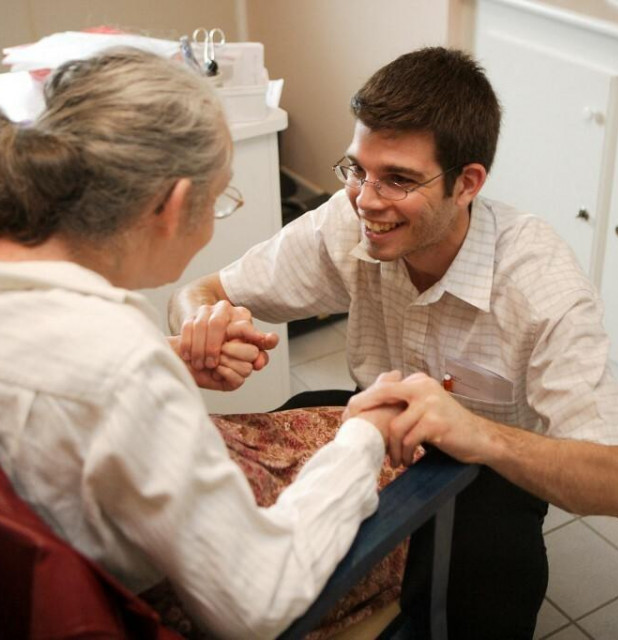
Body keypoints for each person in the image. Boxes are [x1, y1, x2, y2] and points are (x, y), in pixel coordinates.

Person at [169, 46, 618, 639]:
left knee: (489, 577)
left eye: (398, 179)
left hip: (491, 465)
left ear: (467, 183)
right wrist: (203, 328)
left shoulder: (542, 289)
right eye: (357, 169)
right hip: (372, 418)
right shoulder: (352, 218)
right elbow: (202, 289)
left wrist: (477, 434)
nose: (366, 199)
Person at [0, 48, 403, 640]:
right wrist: (366, 435)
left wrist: (171, 356)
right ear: (173, 205)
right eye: (219, 202)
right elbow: (256, 604)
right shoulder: (118, 364)